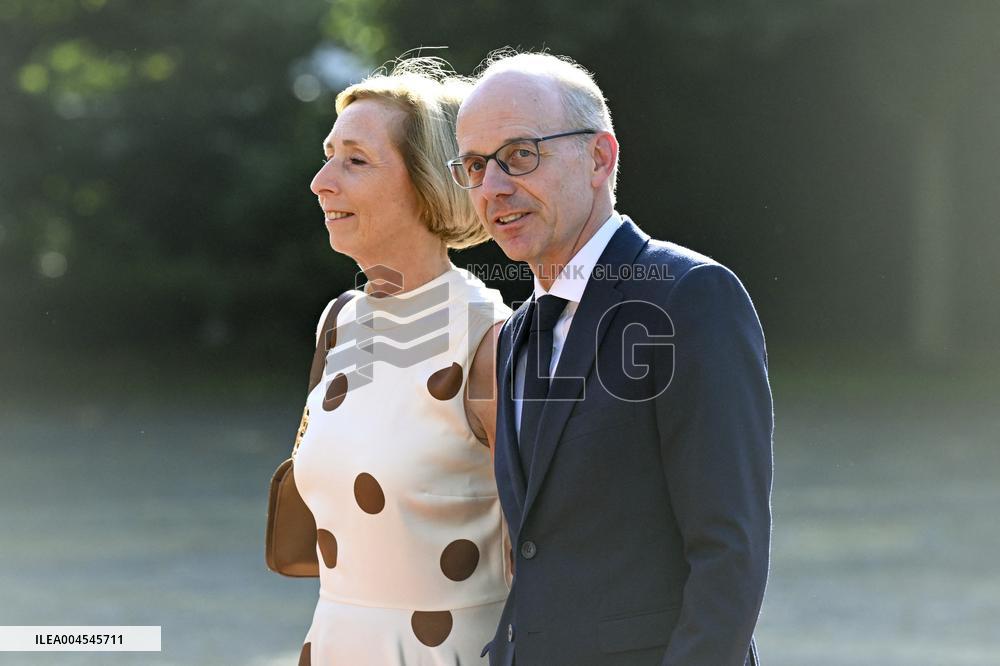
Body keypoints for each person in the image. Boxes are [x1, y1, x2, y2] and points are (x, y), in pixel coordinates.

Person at [449, 51, 774, 666]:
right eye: (474, 165)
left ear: (599, 157)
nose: (493, 186)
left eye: (520, 154)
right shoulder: (515, 334)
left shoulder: (691, 296)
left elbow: (730, 554)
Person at [293, 59, 512, 665]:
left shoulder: (490, 340)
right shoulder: (340, 323)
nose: (321, 180)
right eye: (328, 153)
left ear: (428, 184)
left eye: (355, 160)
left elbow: (538, 552)